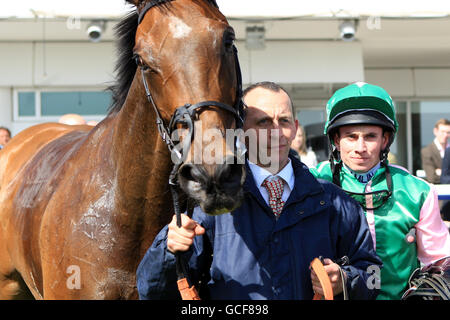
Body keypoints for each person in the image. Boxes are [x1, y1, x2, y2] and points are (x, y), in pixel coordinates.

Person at [136, 81, 382, 300]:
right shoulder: (210, 202)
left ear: (295, 128)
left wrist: (344, 281)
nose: (276, 132)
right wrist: (169, 250)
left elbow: (374, 277)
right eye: (263, 122)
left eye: (283, 121)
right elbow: (151, 289)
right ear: (240, 131)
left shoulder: (336, 202)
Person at [311, 82, 450, 300]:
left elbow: (439, 260)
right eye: (351, 136)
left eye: (370, 136)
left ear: (385, 140)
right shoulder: (310, 182)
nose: (360, 147)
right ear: (336, 140)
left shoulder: (417, 191)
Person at [421, 118, 450, 184]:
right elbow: (432, 178)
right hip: (438, 191)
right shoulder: (427, 151)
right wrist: (445, 175)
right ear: (435, 131)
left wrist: (441, 172)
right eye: (442, 132)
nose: (445, 135)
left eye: (448, 132)